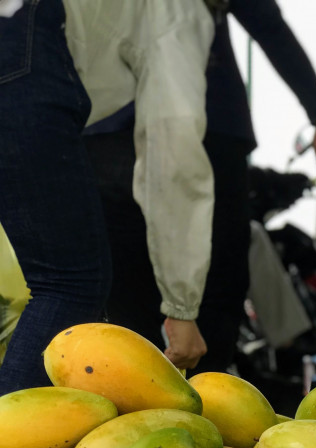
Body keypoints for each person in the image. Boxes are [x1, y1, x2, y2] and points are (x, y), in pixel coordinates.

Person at [85, 0, 316, 376]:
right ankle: (199, 409)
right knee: (211, 290)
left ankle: (148, 410)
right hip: (191, 126)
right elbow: (265, 20)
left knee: (133, 300)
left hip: (113, 127)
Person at [0, 0, 216, 393]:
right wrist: (181, 307)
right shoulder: (178, 7)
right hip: (17, 49)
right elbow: (173, 145)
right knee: (71, 284)